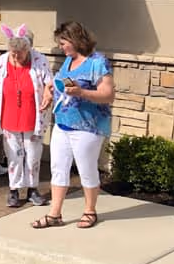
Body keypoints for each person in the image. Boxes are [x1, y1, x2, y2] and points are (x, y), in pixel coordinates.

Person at [32, 20, 116, 230]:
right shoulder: (68, 62)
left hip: (88, 127)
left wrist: (82, 92)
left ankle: (90, 211)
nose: (61, 47)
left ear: (75, 39)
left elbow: (108, 95)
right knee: (58, 168)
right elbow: (60, 82)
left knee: (86, 169)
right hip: (63, 124)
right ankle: (54, 214)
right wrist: (50, 90)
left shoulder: (98, 62)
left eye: (63, 42)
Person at [0, 24, 54, 207]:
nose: (15, 56)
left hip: (33, 117)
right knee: (13, 155)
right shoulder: (1, 62)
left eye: (19, 53)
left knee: (33, 155)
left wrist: (48, 92)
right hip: (9, 116)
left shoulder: (39, 60)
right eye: (13, 52)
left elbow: (49, 82)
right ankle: (14, 190)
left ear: (28, 49)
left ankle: (32, 189)